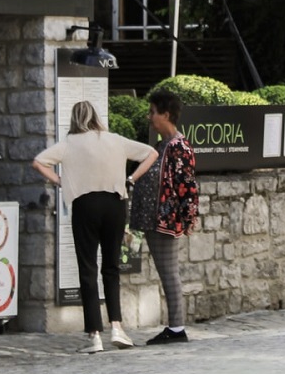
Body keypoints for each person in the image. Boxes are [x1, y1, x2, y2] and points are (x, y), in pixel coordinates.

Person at [33, 101, 158, 353]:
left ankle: (95, 335)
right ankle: (117, 327)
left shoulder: (69, 143)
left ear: (74, 119)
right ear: (95, 117)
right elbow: (151, 153)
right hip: (114, 203)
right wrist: (131, 179)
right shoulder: (115, 139)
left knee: (87, 267)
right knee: (111, 267)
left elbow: (38, 162)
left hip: (84, 205)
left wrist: (61, 181)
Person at [145, 88, 200, 345]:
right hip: (158, 220)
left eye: (153, 112)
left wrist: (187, 218)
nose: (149, 117)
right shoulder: (162, 144)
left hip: (167, 222)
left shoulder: (179, 146)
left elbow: (187, 185)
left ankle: (177, 328)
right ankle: (175, 326)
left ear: (166, 114)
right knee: (166, 271)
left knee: (169, 272)